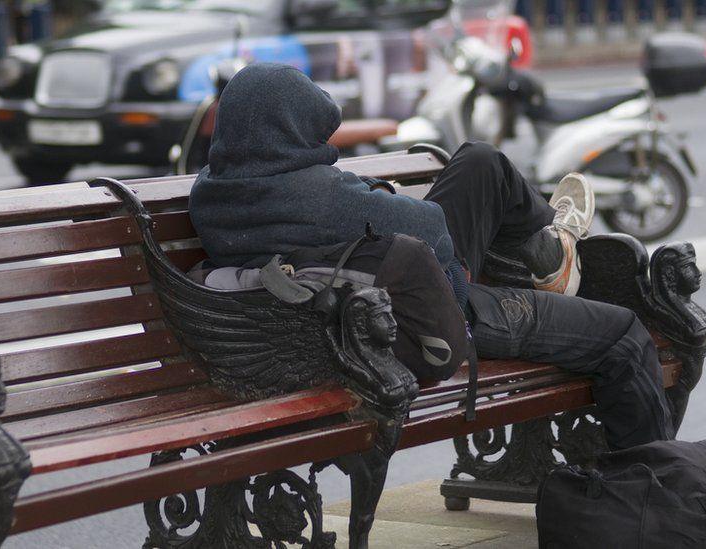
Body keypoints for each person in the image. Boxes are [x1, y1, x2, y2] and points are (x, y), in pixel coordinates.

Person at [189, 63, 673, 450]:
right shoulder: (318, 195)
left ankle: (551, 253)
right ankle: (651, 490)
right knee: (624, 334)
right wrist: (378, 199)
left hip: (340, 305)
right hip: (421, 315)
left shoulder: (212, 192)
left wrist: (373, 202)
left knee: (481, 162)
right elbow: (432, 233)